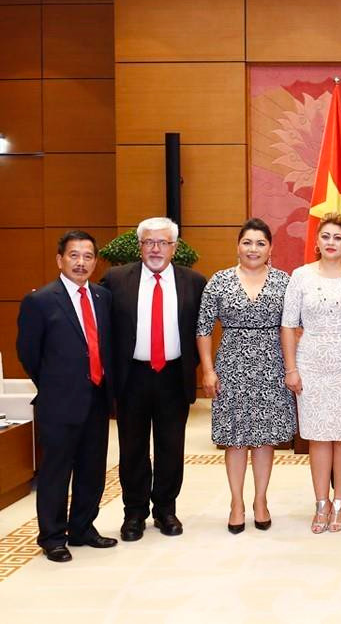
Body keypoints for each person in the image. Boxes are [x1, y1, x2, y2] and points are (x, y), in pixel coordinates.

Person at [101, 217, 206, 541]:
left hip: (174, 375)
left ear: (174, 247)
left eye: (163, 243)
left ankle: (165, 510)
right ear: (140, 246)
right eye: (149, 242)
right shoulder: (116, 279)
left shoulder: (194, 282)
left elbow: (200, 331)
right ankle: (133, 514)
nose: (156, 249)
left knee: (171, 447)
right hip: (132, 375)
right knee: (132, 447)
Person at [16, 231, 117, 562]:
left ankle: (83, 528)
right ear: (60, 260)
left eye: (88, 256)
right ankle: (52, 536)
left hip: (97, 399)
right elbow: (28, 353)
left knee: (91, 468)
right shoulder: (41, 301)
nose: (81, 262)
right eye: (74, 255)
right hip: (59, 402)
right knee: (56, 471)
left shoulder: (103, 297)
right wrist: (55, 385)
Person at [196, 218, 296, 533]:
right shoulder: (220, 280)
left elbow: (292, 326)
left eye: (260, 243)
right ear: (238, 245)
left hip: (272, 366)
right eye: (247, 242)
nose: (253, 249)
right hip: (231, 366)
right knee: (235, 439)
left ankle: (261, 500)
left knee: (265, 439)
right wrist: (208, 370)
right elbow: (203, 328)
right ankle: (236, 502)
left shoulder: (284, 281)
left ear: (270, 248)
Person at [281, 213, 341, 534]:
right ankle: (321, 503)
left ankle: (340, 502)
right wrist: (291, 368)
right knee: (318, 436)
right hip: (312, 363)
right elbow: (289, 325)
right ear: (317, 241)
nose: (332, 243)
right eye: (326, 237)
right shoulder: (301, 276)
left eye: (338, 237)